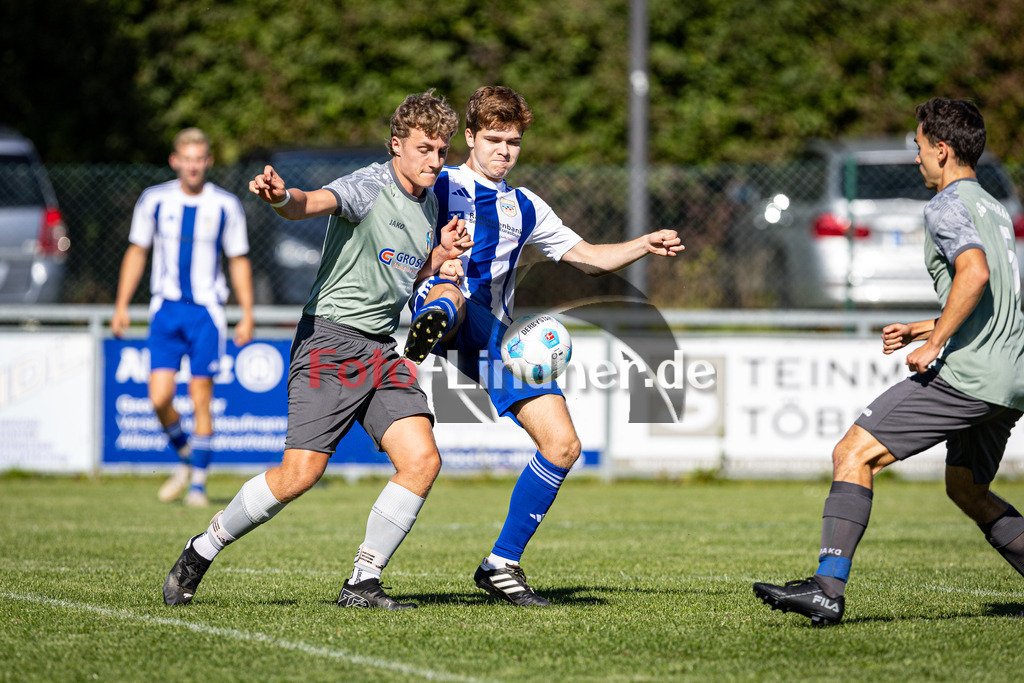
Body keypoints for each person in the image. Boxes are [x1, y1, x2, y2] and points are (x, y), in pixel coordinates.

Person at [162, 90, 471, 610]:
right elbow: (310, 203)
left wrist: (440, 257)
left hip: (380, 348)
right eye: (424, 149)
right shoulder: (369, 185)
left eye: (441, 151)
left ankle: (362, 582)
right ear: (397, 145)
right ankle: (202, 549)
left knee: (421, 460)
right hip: (329, 340)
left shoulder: (432, 202)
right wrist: (282, 198)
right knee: (298, 475)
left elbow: (403, 269)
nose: (434, 161)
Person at [402, 85, 684, 606]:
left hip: (494, 339)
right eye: (493, 139)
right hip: (446, 305)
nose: (503, 150)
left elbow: (590, 257)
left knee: (563, 445)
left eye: (513, 141)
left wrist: (644, 243)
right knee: (452, 292)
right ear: (468, 137)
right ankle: (433, 317)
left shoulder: (527, 207)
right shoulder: (437, 183)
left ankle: (500, 564)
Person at [753, 98, 1024, 626]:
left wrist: (934, 342)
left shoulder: (947, 204)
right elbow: (999, 294)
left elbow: (974, 276)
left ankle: (827, 589)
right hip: (1011, 375)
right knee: (966, 489)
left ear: (942, 151)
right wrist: (925, 326)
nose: (918, 158)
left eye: (920, 148)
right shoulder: (994, 206)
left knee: (853, 452)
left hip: (972, 374)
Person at [111, 127, 255, 507]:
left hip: (206, 313)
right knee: (158, 398)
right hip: (165, 309)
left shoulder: (225, 205)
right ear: (176, 161)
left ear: (208, 161)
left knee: (200, 397)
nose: (193, 166)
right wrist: (122, 305)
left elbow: (238, 260)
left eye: (200, 159)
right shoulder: (154, 200)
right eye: (186, 159)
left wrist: (247, 313)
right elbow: (137, 252)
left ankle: (198, 487)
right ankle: (188, 458)